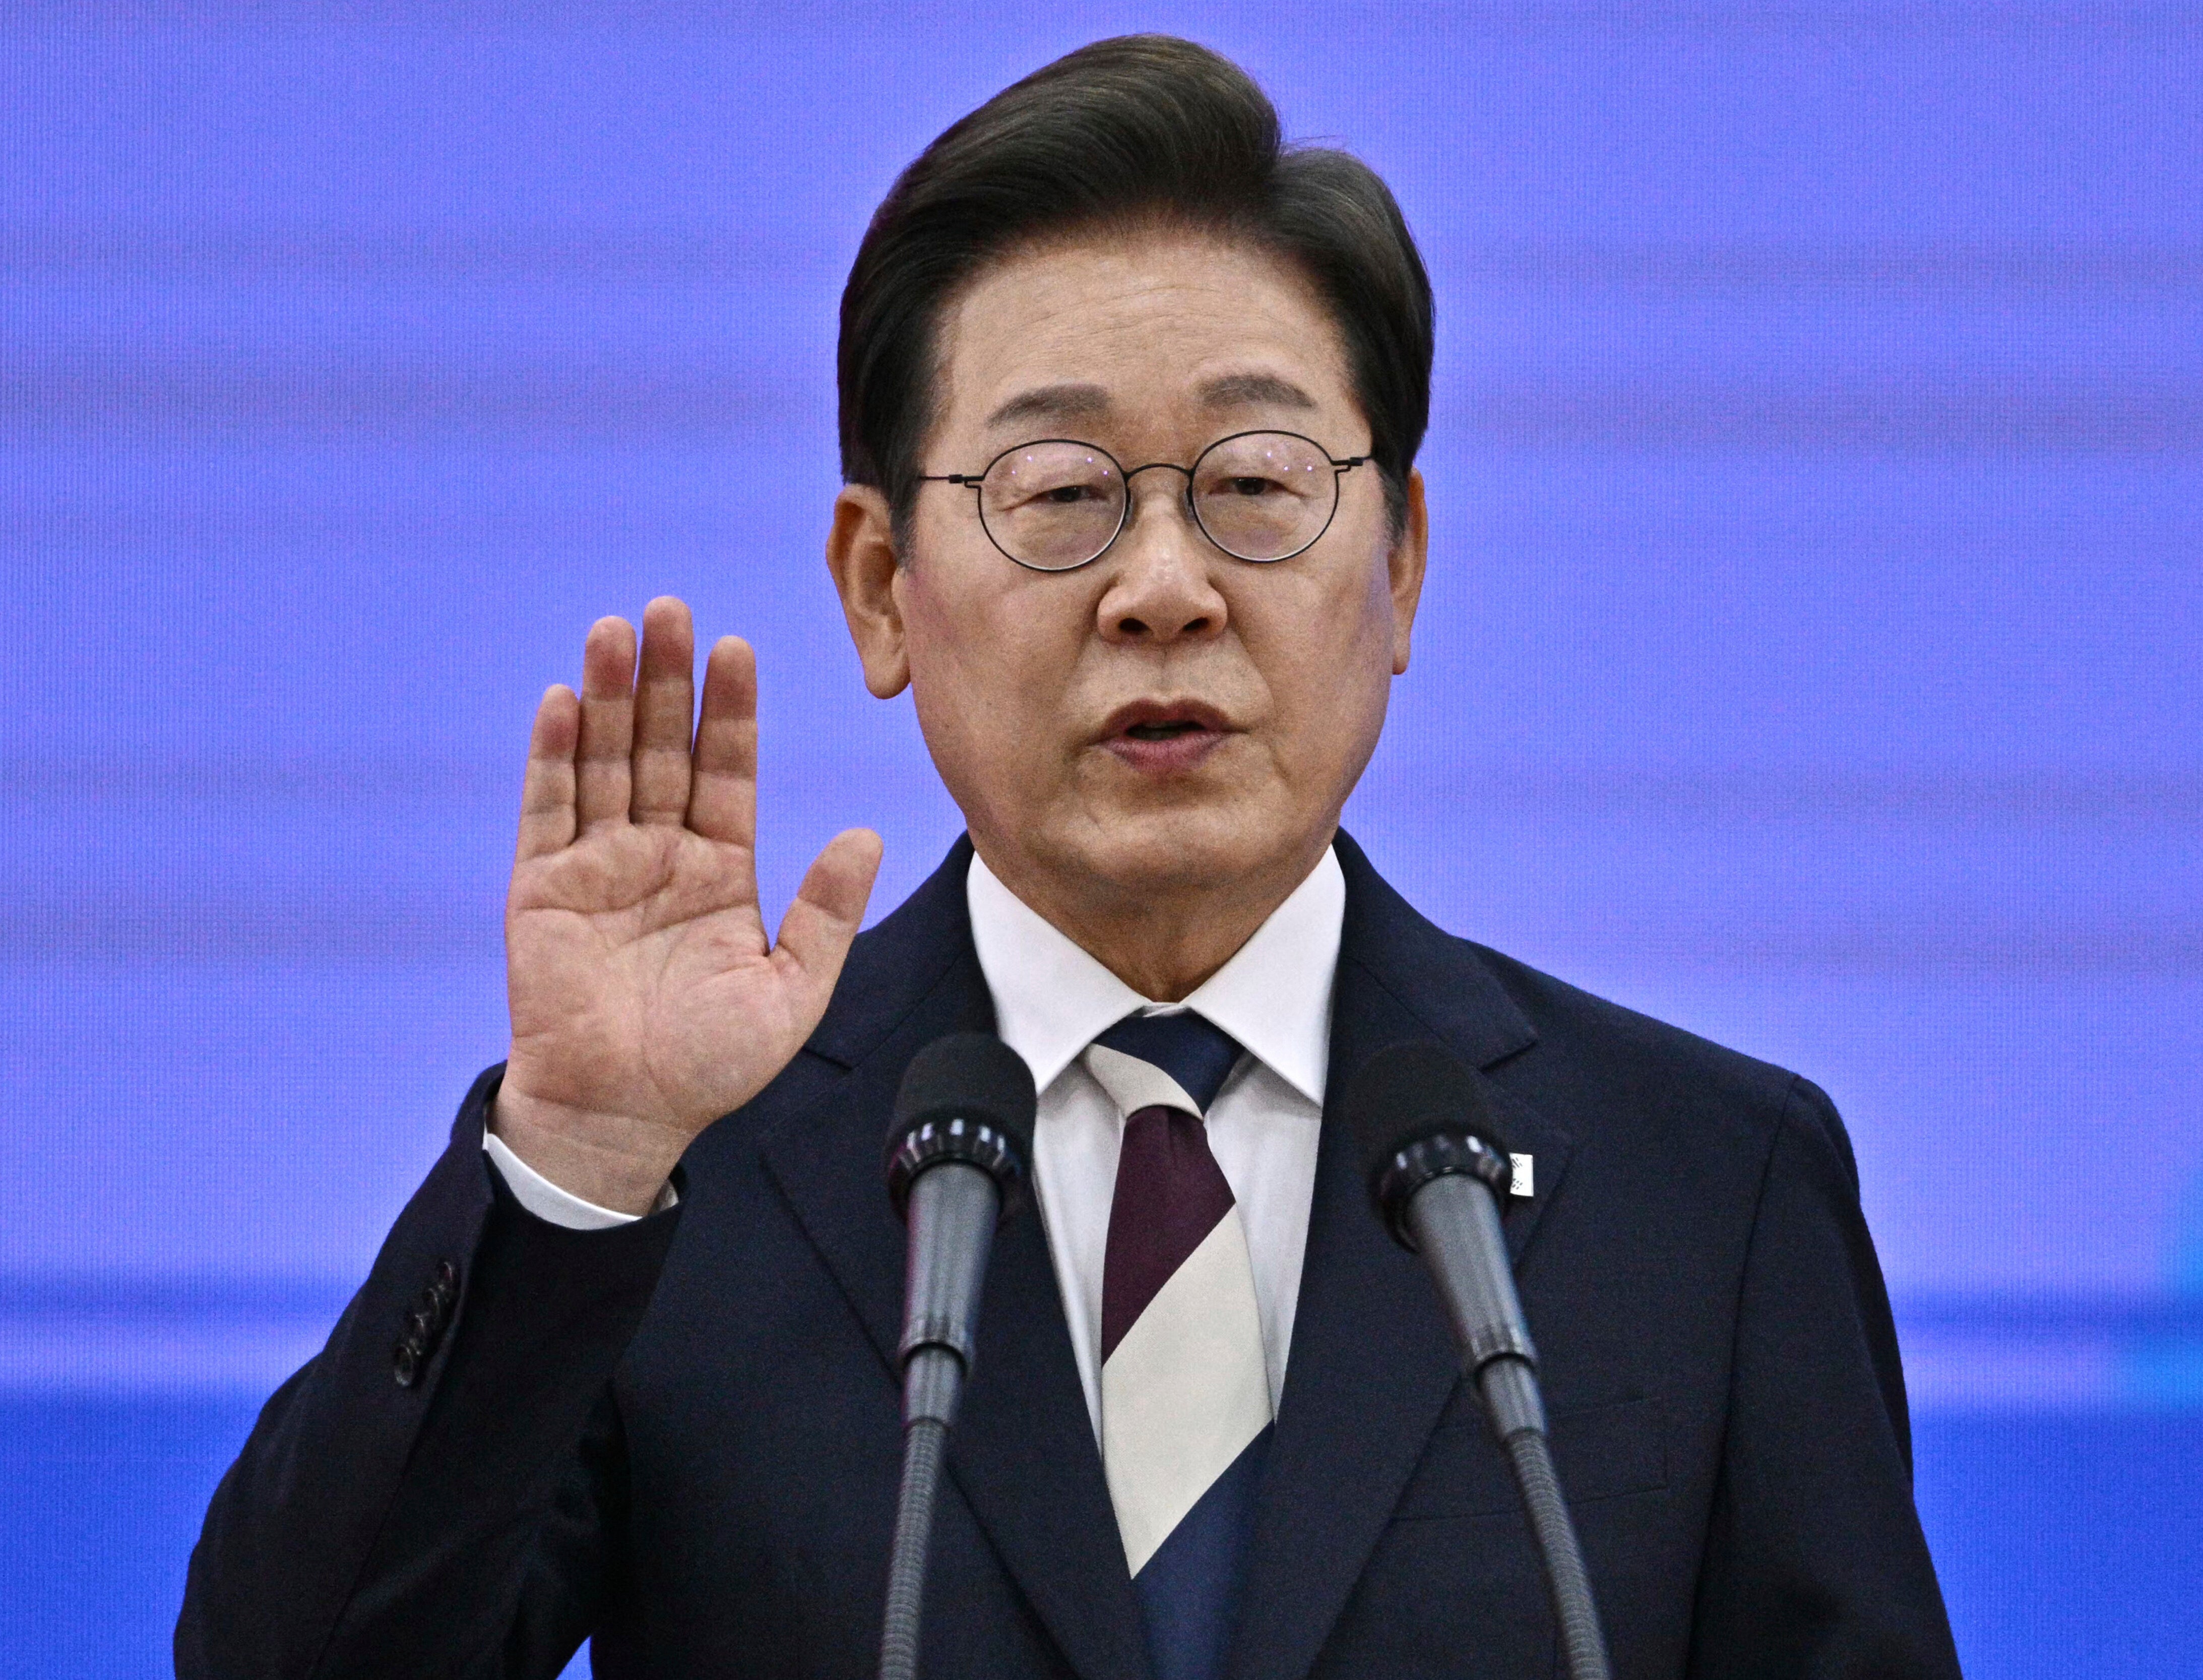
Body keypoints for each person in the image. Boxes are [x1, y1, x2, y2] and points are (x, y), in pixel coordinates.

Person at [178, 35, 1961, 1680]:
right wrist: (573, 1164)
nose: (1165, 587)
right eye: (1060, 496)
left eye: (1257, 486)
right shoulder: (686, 1179)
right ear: (882, 589)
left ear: (1402, 565)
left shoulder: (1705, 1192)